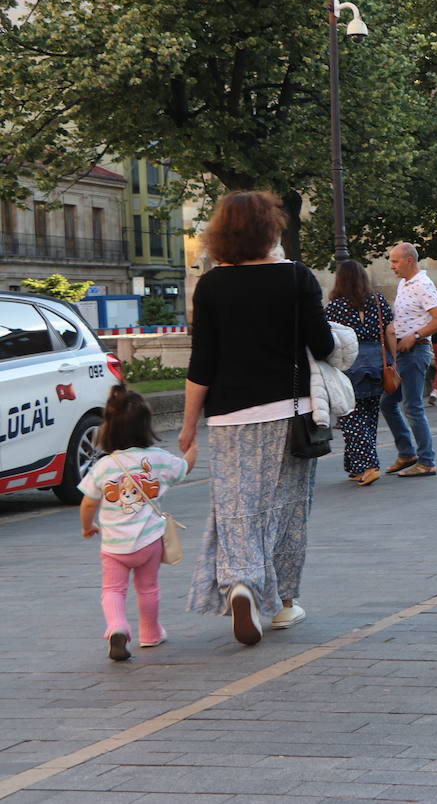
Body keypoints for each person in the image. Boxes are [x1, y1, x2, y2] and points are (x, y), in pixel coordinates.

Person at [181, 190, 334, 644]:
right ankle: (285, 604)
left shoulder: (210, 285)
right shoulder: (296, 278)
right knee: (286, 509)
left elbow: (201, 363)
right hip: (289, 415)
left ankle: (241, 585)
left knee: (236, 508)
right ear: (271, 228)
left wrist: (188, 428)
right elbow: (323, 346)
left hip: (227, 418)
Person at [79, 386, 194, 660]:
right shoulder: (157, 459)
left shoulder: (104, 466)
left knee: (112, 590)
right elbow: (183, 468)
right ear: (146, 426)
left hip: (114, 547)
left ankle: (117, 627)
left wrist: (87, 526)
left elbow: (88, 503)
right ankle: (150, 634)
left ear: (109, 428)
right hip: (148, 542)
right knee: (148, 588)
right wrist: (192, 449)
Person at [325, 259, 397, 487]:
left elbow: (330, 339)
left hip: (350, 364)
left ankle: (368, 465)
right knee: (369, 416)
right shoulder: (378, 301)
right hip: (377, 362)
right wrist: (393, 362)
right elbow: (391, 331)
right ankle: (356, 467)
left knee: (350, 417)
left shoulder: (335, 306)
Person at [382, 243, 437, 477]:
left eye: (395, 261)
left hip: (415, 350)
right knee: (388, 403)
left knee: (412, 406)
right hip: (403, 352)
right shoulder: (404, 283)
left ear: (410, 260)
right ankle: (407, 453)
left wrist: (416, 335)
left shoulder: (423, 285)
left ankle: (427, 460)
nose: (391, 266)